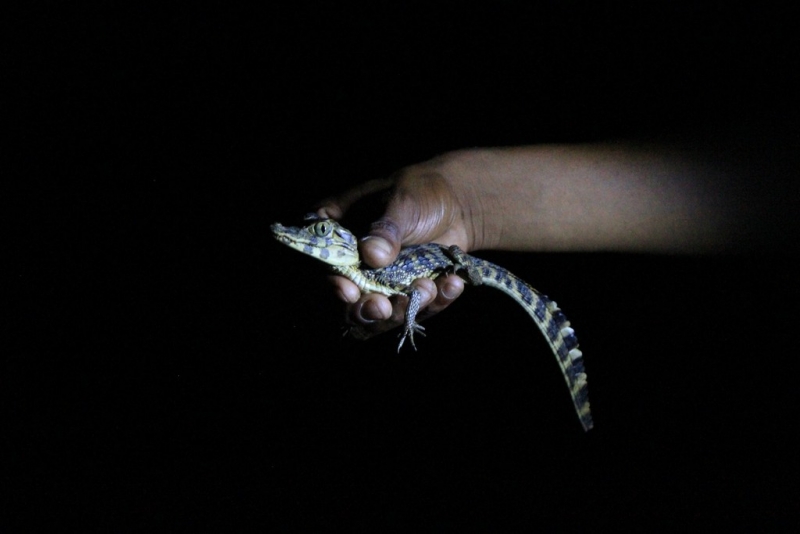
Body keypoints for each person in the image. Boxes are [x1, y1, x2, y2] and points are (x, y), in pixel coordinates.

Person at [313, 142, 797, 340]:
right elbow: (740, 185)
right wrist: (459, 200)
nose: (308, 239)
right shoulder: (367, 265)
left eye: (317, 234)